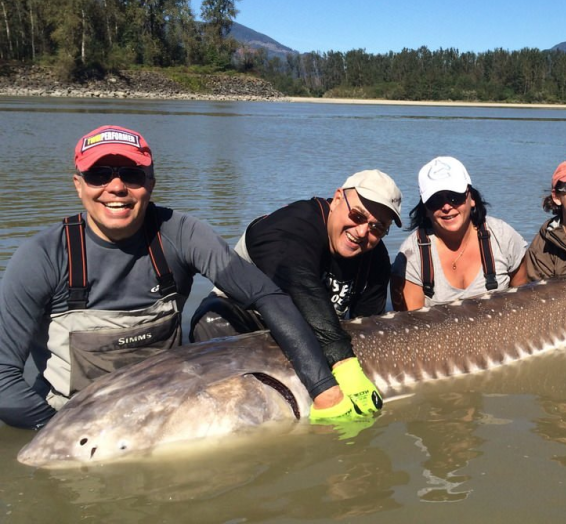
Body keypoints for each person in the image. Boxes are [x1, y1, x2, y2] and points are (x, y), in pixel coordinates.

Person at [0, 125, 363, 431]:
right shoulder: (41, 257)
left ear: (151, 183)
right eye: (99, 175)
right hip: (74, 420)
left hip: (167, 412)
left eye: (131, 174)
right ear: (78, 184)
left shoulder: (180, 234)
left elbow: (267, 296)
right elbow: (3, 380)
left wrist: (324, 386)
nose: (116, 187)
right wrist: (62, 434)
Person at [190, 170, 401, 417]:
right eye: (357, 215)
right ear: (336, 199)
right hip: (243, 323)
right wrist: (344, 365)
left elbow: (365, 326)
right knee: (212, 323)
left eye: (377, 227)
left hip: (318, 340)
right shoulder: (290, 225)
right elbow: (302, 287)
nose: (362, 232)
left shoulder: (376, 259)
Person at [391, 156, 527, 310]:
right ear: (426, 209)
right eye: (435, 201)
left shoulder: (503, 237)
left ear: (472, 198)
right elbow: (409, 324)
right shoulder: (411, 256)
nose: (447, 207)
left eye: (455, 197)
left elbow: (524, 303)